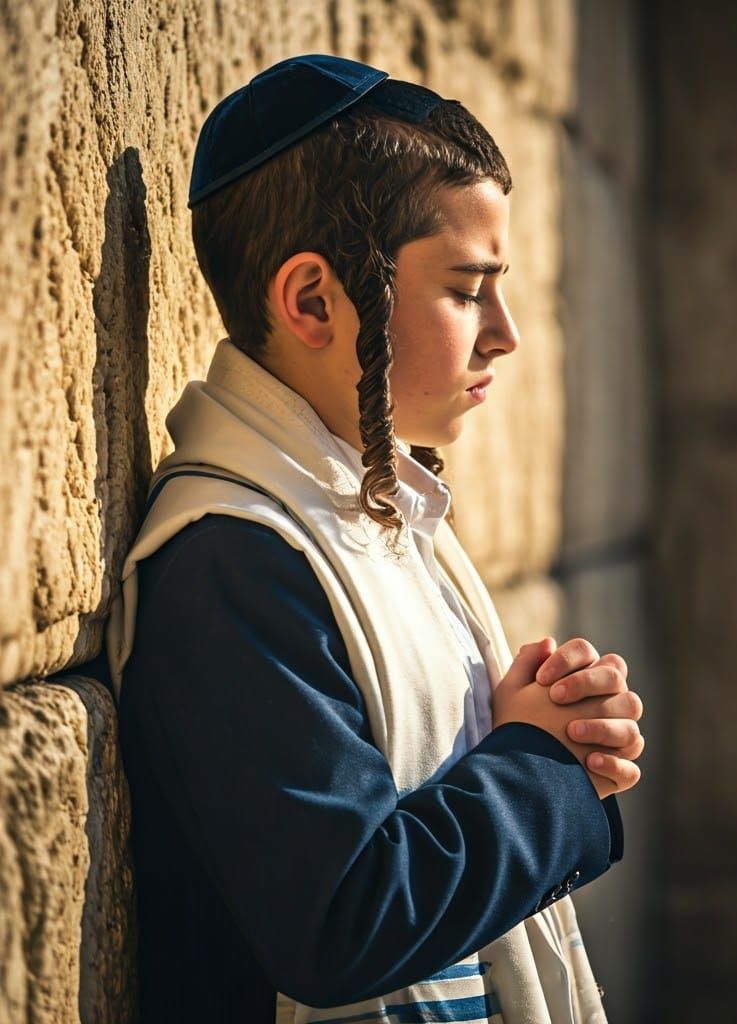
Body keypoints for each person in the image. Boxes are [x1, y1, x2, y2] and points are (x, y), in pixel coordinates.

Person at [106, 54, 645, 1024]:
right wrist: (539, 761)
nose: (507, 334)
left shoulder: (386, 518)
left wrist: (550, 723)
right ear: (313, 301)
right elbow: (346, 915)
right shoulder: (231, 558)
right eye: (467, 289)